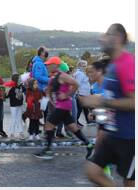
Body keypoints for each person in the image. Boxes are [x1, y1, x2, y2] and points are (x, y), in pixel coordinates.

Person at [81, 23, 135, 187]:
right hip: (113, 135)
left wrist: (101, 101)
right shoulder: (112, 65)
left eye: (107, 35)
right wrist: (99, 116)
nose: (102, 39)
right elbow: (111, 98)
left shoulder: (127, 64)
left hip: (130, 138)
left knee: (130, 183)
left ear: (117, 38)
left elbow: (134, 101)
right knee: (92, 171)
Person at [33, 56, 93, 159]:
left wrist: (66, 95)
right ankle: (89, 145)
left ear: (55, 65)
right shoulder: (54, 77)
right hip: (61, 106)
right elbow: (49, 89)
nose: (47, 67)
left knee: (48, 126)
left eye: (49, 65)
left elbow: (76, 84)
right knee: (73, 127)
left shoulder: (62, 76)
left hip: (63, 106)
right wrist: (51, 99)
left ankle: (48, 151)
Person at [5, 74, 25, 140]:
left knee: (19, 118)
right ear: (16, 79)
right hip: (13, 105)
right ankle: (11, 133)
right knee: (13, 119)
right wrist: (6, 91)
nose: (20, 79)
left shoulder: (21, 86)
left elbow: (25, 90)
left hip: (19, 104)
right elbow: (6, 96)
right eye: (19, 78)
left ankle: (21, 132)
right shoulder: (11, 86)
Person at [74, 60, 93, 126]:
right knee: (79, 109)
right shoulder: (79, 73)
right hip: (81, 94)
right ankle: (75, 122)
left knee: (85, 109)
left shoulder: (82, 73)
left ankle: (88, 121)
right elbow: (77, 83)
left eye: (85, 65)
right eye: (83, 66)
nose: (85, 67)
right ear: (79, 66)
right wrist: (78, 94)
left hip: (84, 94)